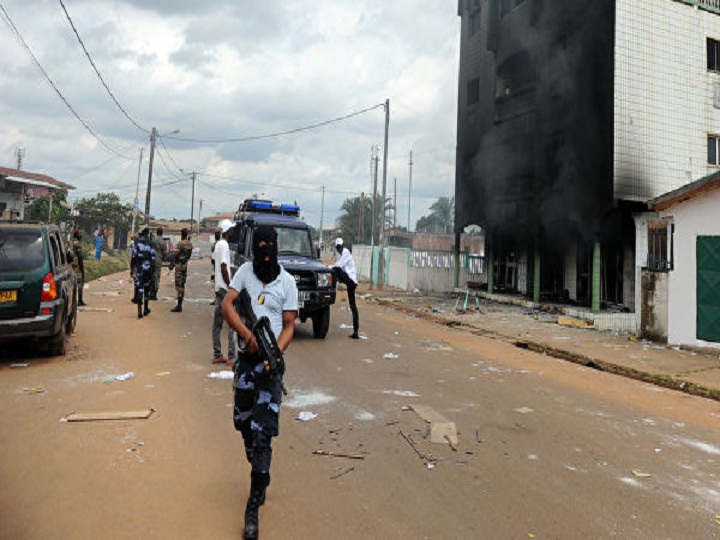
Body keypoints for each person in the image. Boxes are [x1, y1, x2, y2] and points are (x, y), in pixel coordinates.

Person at [221, 225, 298, 540]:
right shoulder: (244, 273)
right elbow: (228, 305)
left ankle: (252, 506)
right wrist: (248, 335)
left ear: (276, 247)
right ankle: (259, 467)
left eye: (271, 244)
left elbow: (290, 325)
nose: (265, 248)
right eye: (261, 244)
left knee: (262, 432)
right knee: (242, 423)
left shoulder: (288, 282)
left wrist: (274, 353)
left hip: (270, 369)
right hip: (247, 361)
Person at [212, 220, 237, 363]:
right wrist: (230, 284)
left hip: (218, 287)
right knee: (232, 322)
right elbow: (223, 266)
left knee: (217, 323)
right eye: (232, 229)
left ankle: (217, 354)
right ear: (228, 231)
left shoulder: (218, 245)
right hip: (224, 288)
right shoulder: (225, 245)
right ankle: (232, 356)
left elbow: (213, 261)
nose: (233, 232)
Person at [332, 237, 360, 339]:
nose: (339, 249)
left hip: (351, 281)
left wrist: (329, 268)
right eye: (337, 247)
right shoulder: (342, 255)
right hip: (349, 282)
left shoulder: (346, 253)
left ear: (342, 246)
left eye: (339, 247)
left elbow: (338, 266)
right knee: (353, 306)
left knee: (335, 270)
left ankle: (332, 287)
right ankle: (356, 331)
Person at [131, 227, 156, 319]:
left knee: (140, 288)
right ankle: (145, 309)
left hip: (139, 269)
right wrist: (153, 272)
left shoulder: (137, 243)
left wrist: (132, 269)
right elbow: (153, 259)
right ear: (147, 233)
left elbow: (133, 257)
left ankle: (139, 312)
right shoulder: (151, 243)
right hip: (147, 270)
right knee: (146, 289)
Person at [170, 228, 193, 312]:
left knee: (178, 285)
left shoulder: (180, 243)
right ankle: (180, 304)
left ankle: (179, 306)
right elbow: (189, 256)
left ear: (182, 234)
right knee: (182, 284)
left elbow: (176, 253)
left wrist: (172, 262)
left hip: (179, 265)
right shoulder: (190, 244)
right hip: (185, 265)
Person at [151, 227, 168, 301]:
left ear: (157, 232)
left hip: (151, 261)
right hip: (158, 261)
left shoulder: (153, 240)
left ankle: (150, 294)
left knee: (151, 277)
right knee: (157, 277)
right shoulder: (163, 242)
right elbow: (165, 253)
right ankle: (154, 294)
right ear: (162, 233)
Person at [71, 229, 86, 306]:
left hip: (71, 265)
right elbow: (80, 256)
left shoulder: (70, 243)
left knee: (72, 283)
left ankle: (73, 300)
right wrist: (82, 267)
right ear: (77, 235)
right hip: (77, 266)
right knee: (80, 282)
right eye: (79, 234)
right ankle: (80, 299)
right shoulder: (77, 244)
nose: (81, 235)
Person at [210, 227, 221, 306]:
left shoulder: (221, 243)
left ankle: (219, 299)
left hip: (220, 266)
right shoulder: (214, 243)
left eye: (217, 233)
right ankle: (216, 299)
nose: (216, 234)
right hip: (215, 266)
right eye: (215, 233)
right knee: (215, 282)